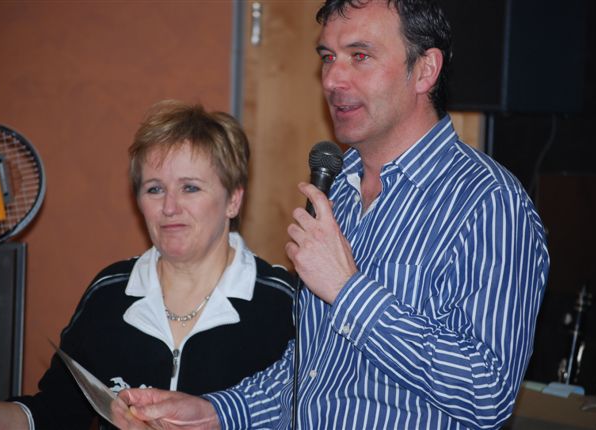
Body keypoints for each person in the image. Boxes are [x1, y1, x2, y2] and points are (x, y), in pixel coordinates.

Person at [112, 1, 550, 429]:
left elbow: (488, 393)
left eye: (360, 56)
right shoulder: (337, 187)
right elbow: (314, 370)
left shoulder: (488, 202)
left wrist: (347, 290)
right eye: (328, 57)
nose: (333, 79)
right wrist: (217, 412)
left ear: (425, 70)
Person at [0, 100, 295, 429]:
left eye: (190, 187)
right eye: (155, 189)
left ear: (233, 199)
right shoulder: (110, 292)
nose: (169, 207)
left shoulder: (282, 303)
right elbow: (53, 415)